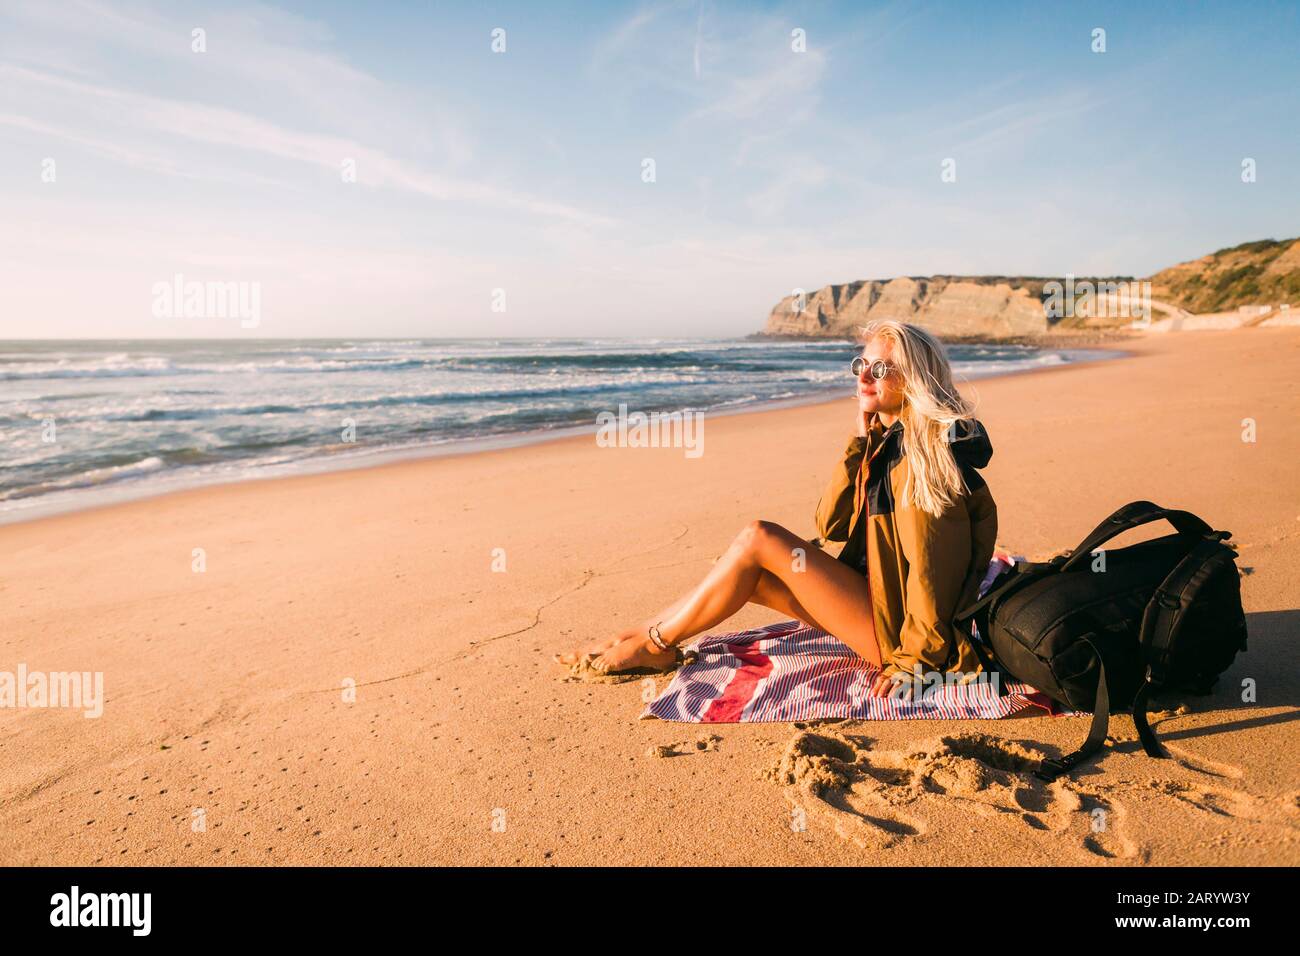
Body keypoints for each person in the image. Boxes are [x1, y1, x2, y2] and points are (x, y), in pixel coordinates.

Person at [556, 319, 998, 699]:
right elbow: (832, 523)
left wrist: (916, 665)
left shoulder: (924, 462)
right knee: (751, 575)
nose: (864, 376)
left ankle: (654, 643)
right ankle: (644, 634)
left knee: (759, 536)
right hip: (877, 602)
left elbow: (930, 575)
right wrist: (859, 445)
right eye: (860, 365)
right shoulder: (887, 446)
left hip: (897, 635)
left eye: (880, 369)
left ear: (915, 379)